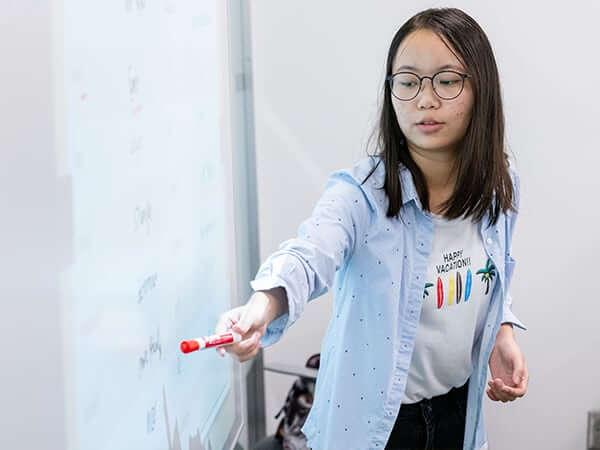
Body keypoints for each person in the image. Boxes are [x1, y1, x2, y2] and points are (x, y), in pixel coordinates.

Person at [215, 7, 529, 450]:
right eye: (408, 82)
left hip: (459, 413)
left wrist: (502, 331)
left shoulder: (499, 187)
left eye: (446, 81)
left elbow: (490, 276)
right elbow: (309, 254)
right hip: (375, 428)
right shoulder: (362, 195)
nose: (424, 99)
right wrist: (263, 304)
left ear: (483, 89)